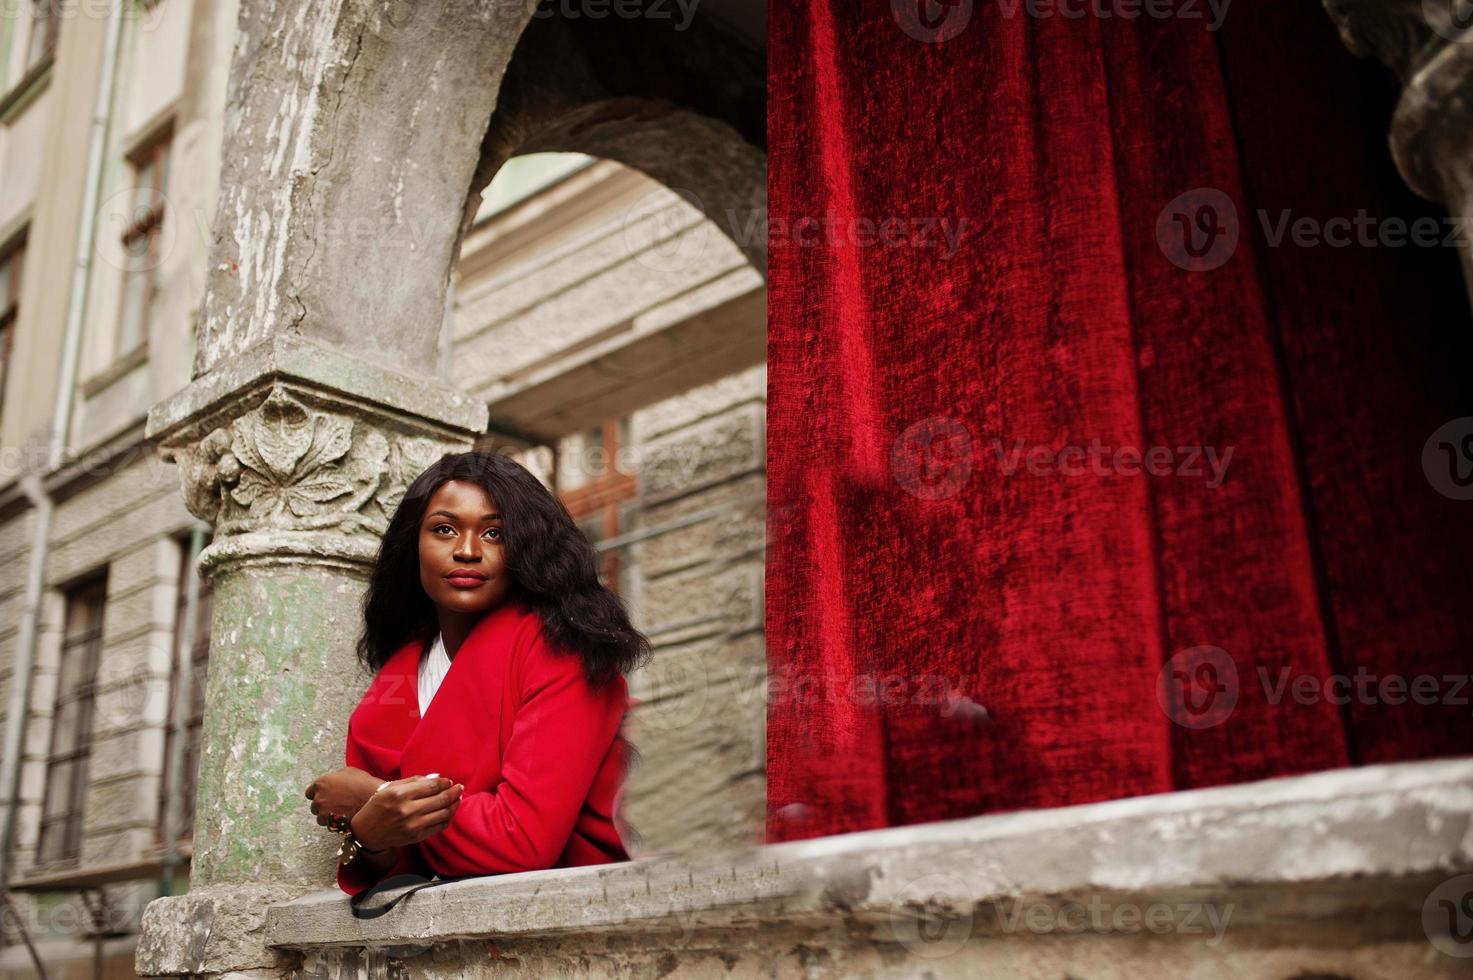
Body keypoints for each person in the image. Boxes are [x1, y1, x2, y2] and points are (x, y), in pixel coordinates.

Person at [303, 451, 650, 895]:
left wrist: (373, 797)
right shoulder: (394, 681)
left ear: (525, 546)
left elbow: (522, 841)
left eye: (494, 533)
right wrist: (374, 833)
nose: (468, 551)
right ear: (414, 544)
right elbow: (393, 864)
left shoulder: (563, 647)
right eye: (444, 529)